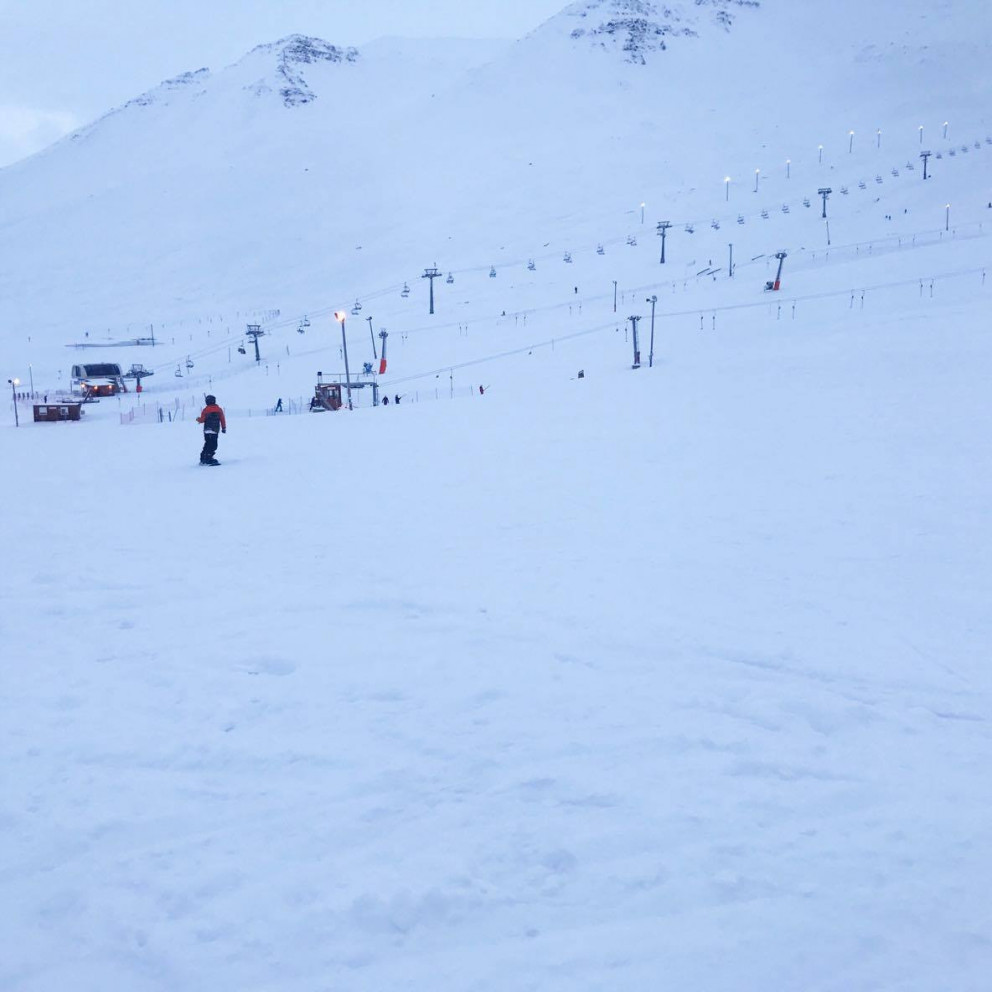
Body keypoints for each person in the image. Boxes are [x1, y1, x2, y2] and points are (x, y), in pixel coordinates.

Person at [196, 394, 226, 465]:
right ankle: (209, 457)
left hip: (207, 430)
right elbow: (222, 419)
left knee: (207, 443)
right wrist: (223, 428)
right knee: (213, 444)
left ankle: (203, 457)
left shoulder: (205, 410)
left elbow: (202, 420)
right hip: (214, 430)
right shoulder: (219, 409)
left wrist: (198, 419)